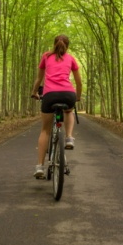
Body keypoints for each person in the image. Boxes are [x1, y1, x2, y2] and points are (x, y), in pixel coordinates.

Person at [31, 35, 82, 178]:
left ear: (54, 44)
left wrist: (34, 92)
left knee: (45, 131)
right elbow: (79, 83)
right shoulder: (71, 59)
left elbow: (39, 78)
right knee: (68, 111)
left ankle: (40, 167)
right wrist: (77, 97)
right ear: (68, 46)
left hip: (50, 95)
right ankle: (69, 137)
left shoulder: (46, 56)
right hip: (68, 94)